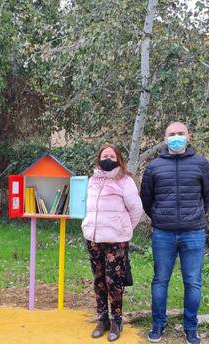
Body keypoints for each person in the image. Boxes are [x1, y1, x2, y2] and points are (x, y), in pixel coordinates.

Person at [140, 122, 209, 344]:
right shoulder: (154, 166)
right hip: (163, 233)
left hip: (194, 233)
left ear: (188, 136)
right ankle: (158, 324)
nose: (176, 137)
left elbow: (207, 196)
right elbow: (146, 199)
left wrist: (195, 217)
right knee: (160, 280)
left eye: (180, 134)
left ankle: (191, 327)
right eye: (172, 134)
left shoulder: (201, 163)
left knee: (193, 282)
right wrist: (161, 218)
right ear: (165, 138)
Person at [81, 144, 143, 341]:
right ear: (99, 159)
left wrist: (123, 229)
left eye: (112, 155)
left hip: (116, 241)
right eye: (104, 155)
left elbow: (136, 210)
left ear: (118, 159)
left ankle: (117, 320)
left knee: (114, 282)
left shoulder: (125, 181)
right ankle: (102, 319)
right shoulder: (92, 181)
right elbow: (87, 206)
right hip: (94, 238)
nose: (108, 158)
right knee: (99, 280)